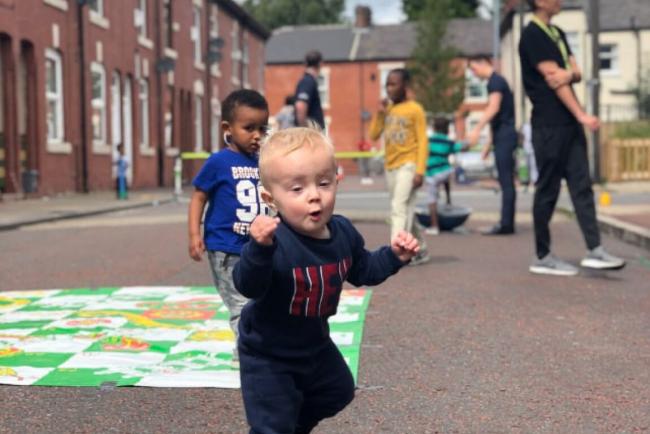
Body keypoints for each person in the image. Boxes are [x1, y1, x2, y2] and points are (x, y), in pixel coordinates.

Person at [233, 127, 419, 434]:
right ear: (270, 198)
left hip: (314, 345)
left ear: (337, 180)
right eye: (297, 189)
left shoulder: (342, 232)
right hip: (268, 353)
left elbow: (364, 269)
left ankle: (292, 426)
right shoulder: (273, 241)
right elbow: (247, 285)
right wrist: (259, 249)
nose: (314, 195)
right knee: (271, 424)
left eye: (323, 183)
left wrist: (395, 256)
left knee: (339, 390)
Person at [519, 0, 625, 275]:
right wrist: (581, 114)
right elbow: (556, 80)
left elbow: (573, 72)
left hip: (568, 124)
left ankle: (595, 250)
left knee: (582, 185)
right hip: (549, 125)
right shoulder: (533, 35)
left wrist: (571, 74)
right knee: (548, 190)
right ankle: (542, 256)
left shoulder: (558, 33)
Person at [187, 89, 270, 363]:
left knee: (260, 300)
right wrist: (194, 234)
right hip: (226, 247)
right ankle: (246, 354)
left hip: (256, 248)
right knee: (239, 303)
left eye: (262, 128)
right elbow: (199, 196)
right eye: (249, 128)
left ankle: (260, 342)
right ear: (228, 128)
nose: (257, 135)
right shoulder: (218, 162)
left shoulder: (264, 162)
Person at [369, 68, 430, 265]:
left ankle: (396, 251)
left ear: (405, 86)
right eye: (387, 84)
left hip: (409, 163)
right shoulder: (388, 110)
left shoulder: (415, 109)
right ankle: (420, 247)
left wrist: (420, 171)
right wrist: (379, 114)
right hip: (391, 165)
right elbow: (373, 135)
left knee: (398, 207)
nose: (389, 88)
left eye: (393, 84)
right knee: (405, 207)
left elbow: (422, 141)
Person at [467, 55, 518, 235]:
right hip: (502, 136)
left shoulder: (495, 82)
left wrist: (476, 129)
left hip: (506, 136)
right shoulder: (496, 81)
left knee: (506, 181)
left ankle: (506, 224)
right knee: (505, 180)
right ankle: (506, 222)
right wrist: (488, 143)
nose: (473, 73)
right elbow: (497, 118)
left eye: (473, 69)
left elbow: (494, 108)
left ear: (483, 63)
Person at [425, 117, 469, 235]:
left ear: (434, 128)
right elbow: (460, 147)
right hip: (446, 171)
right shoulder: (448, 141)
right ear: (447, 130)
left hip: (432, 173)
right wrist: (468, 142)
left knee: (431, 199)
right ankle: (448, 200)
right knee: (445, 180)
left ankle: (434, 226)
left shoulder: (429, 140)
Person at [294, 50, 325, 129]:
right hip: (312, 133)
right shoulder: (308, 81)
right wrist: (305, 131)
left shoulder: (308, 81)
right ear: (320, 63)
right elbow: (300, 106)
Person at [520, 121, 538, 191]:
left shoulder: (535, 124)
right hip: (525, 148)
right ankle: (525, 182)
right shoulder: (525, 126)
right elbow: (521, 136)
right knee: (525, 166)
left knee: (533, 165)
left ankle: (533, 182)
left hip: (533, 148)